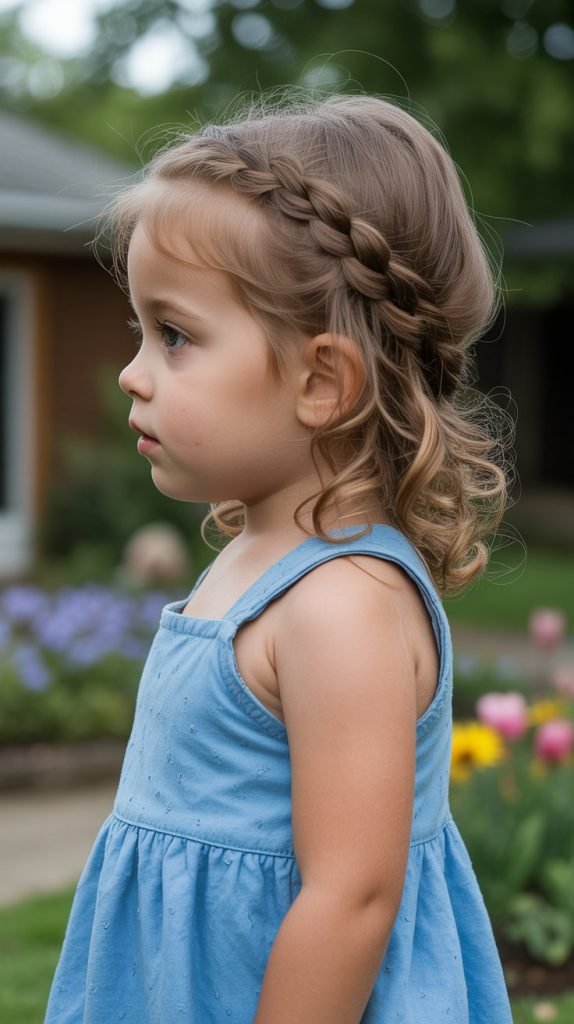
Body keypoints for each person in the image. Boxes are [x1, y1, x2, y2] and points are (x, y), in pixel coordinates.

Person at [45, 91, 515, 1023]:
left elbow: (352, 900)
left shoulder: (340, 602)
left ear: (322, 380)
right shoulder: (256, 553)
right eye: (142, 331)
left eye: (174, 335)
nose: (133, 371)